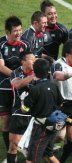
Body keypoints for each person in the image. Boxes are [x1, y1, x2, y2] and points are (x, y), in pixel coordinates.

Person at [0, 16, 30, 162]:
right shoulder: (0, 44)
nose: (18, 33)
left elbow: (30, 64)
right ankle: (11, 152)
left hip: (20, 89)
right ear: (8, 31)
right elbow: (0, 67)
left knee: (20, 118)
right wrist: (16, 77)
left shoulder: (25, 44)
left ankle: (20, 146)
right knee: (6, 121)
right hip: (4, 88)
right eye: (15, 31)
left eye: (20, 30)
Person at [22, 58, 63, 163]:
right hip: (53, 125)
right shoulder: (53, 86)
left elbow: (25, 109)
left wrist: (23, 101)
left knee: (31, 159)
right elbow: (61, 102)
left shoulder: (35, 89)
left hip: (40, 128)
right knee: (49, 155)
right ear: (48, 71)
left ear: (34, 72)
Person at [7, 51, 36, 162]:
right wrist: (33, 76)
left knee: (34, 147)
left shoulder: (40, 72)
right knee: (13, 145)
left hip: (35, 113)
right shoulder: (15, 73)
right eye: (32, 59)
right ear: (23, 61)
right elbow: (18, 85)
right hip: (19, 111)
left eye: (35, 59)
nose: (34, 61)